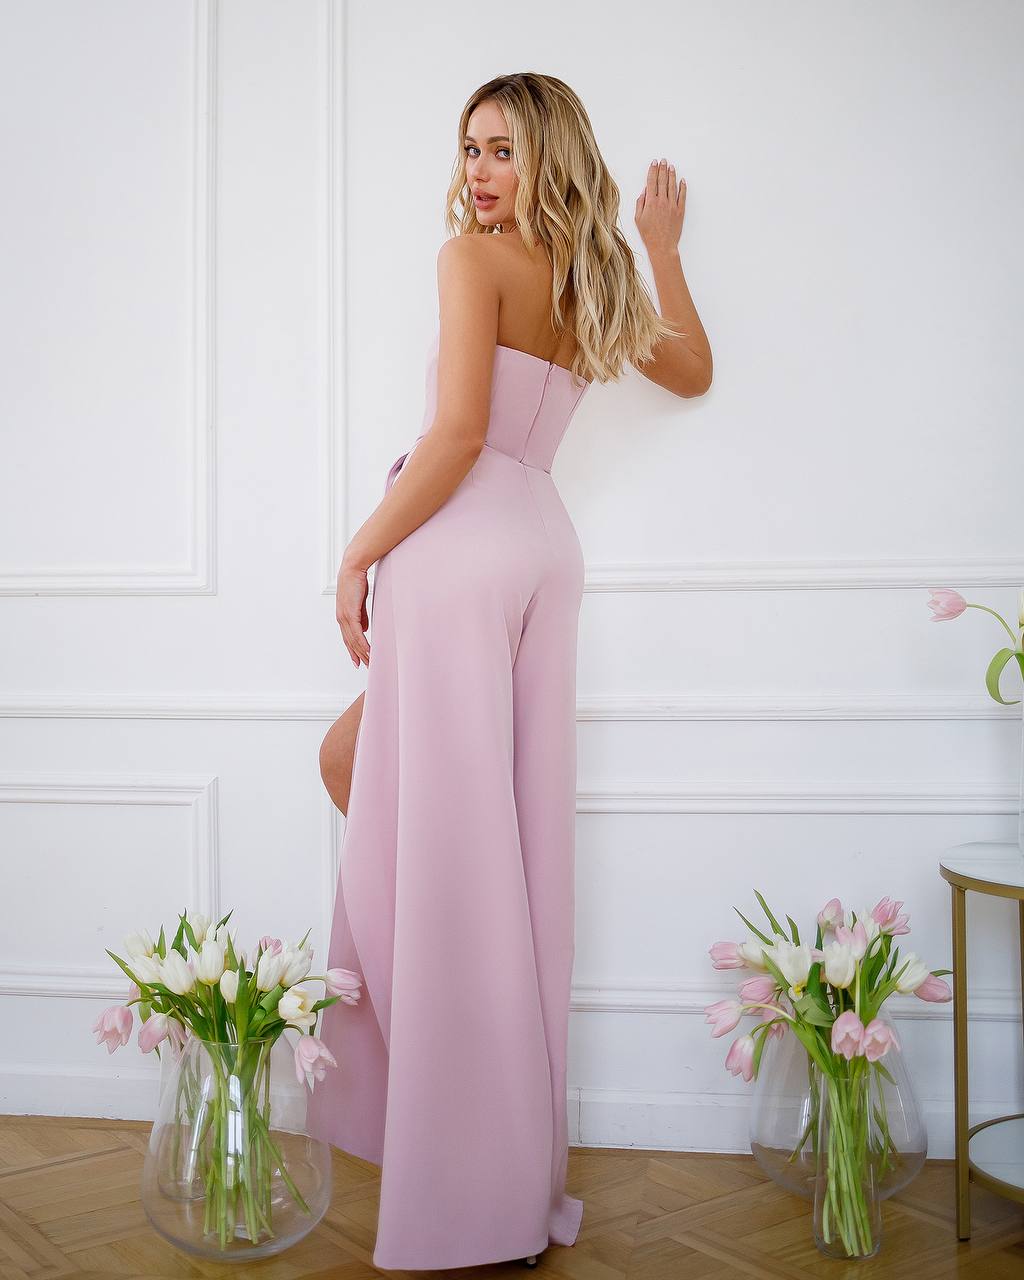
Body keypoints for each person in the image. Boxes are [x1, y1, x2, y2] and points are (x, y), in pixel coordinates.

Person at [309, 72, 712, 1271]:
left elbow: (455, 436)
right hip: (543, 547)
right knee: (468, 827)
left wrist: (358, 551)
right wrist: (658, 247)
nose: (478, 172)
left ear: (547, 157)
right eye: (470, 148)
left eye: (501, 150)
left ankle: (457, 1167)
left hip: (460, 547)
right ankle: (492, 1159)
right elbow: (692, 366)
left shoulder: (472, 259)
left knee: (438, 836)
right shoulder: (596, 274)